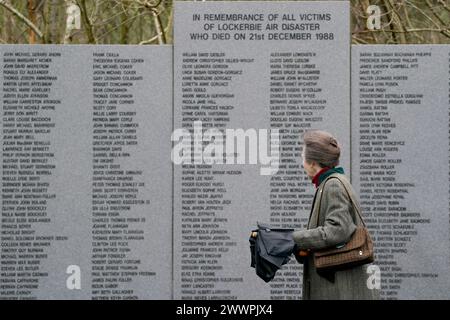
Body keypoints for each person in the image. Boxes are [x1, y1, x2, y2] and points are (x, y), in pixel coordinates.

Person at [292, 130, 380, 300]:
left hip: (337, 290)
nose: (302, 164)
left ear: (312, 163)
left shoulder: (333, 185)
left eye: (303, 158)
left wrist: (294, 239)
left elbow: (337, 231)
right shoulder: (331, 182)